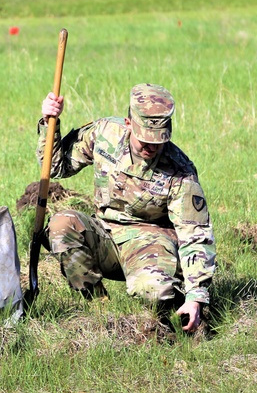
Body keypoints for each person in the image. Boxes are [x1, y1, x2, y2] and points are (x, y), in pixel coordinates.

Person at [37, 84, 216, 332]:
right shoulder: (104, 133)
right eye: (145, 139)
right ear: (128, 123)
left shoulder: (180, 172)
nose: (151, 148)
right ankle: (99, 311)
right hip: (105, 234)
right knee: (61, 225)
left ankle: (169, 309)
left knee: (153, 290)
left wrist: (196, 296)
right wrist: (49, 123)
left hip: (150, 242)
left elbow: (195, 235)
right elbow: (55, 167)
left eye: (158, 141)